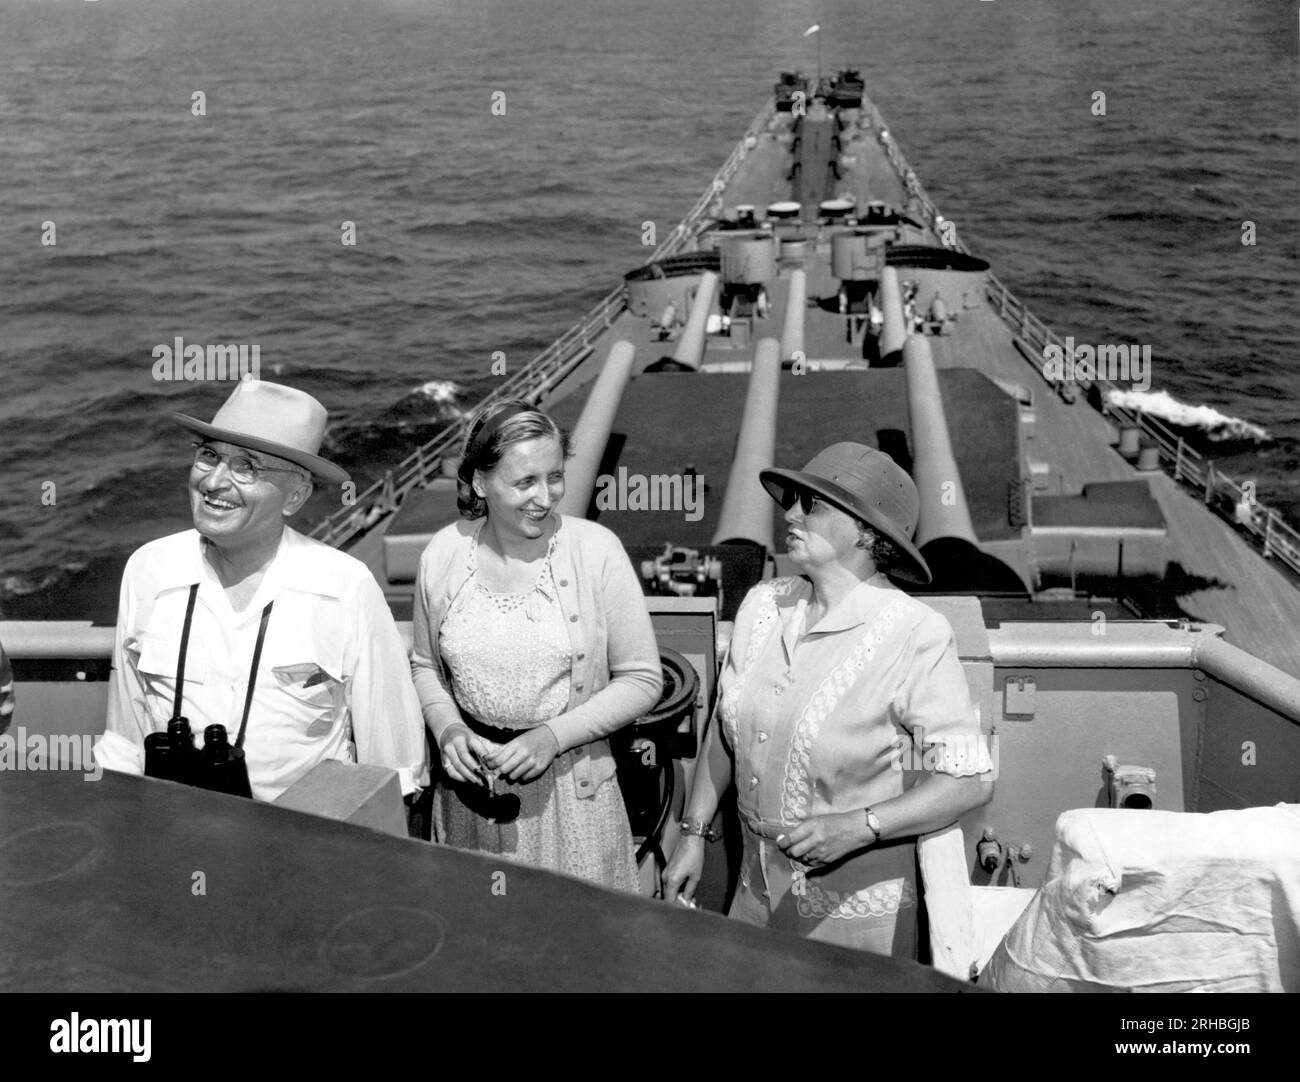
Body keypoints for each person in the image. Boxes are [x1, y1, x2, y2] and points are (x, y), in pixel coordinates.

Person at [663, 442, 995, 957]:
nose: (790, 513)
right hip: (753, 894)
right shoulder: (764, 606)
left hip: (854, 918)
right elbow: (725, 735)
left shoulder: (914, 634)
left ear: (867, 531)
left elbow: (969, 779)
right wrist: (692, 834)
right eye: (791, 498)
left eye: (811, 503)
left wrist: (860, 827)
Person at [96, 379, 429, 803]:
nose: (215, 482)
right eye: (209, 456)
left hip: (304, 843)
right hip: (171, 829)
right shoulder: (149, 569)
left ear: (295, 496)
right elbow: (124, 739)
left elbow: (393, 768)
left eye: (247, 467)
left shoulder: (346, 588)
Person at [410, 398, 661, 891]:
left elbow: (643, 678)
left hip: (575, 800)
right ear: (480, 483)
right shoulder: (443, 553)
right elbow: (424, 667)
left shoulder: (597, 551)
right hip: (469, 805)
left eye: (554, 477)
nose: (545, 498)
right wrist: (447, 731)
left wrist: (552, 736)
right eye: (524, 481)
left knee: (579, 950)